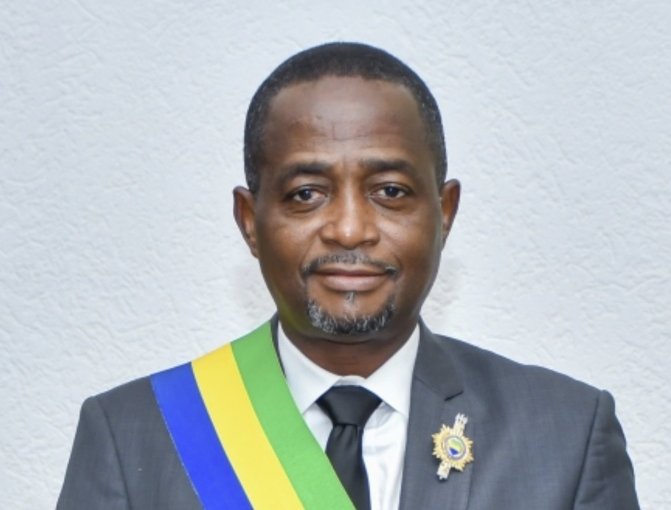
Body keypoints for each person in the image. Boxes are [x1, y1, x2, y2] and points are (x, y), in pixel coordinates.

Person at [56, 42, 639, 510]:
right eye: (306, 194)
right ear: (249, 221)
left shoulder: (566, 435)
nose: (350, 229)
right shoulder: (137, 434)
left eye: (390, 192)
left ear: (444, 213)